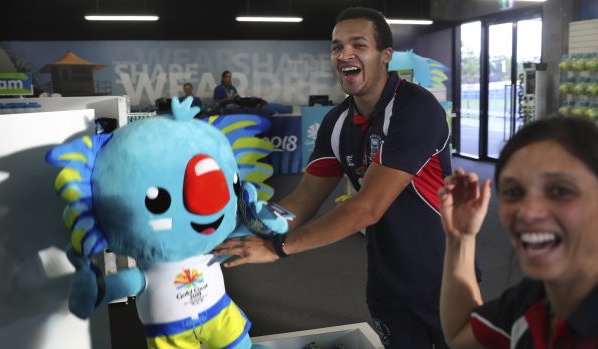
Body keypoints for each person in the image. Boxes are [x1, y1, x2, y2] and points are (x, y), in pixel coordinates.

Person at [215, 7, 475, 348]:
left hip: (445, 278)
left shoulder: (416, 108)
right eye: (337, 47)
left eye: (358, 45)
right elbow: (304, 199)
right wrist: (241, 232)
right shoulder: (336, 122)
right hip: (388, 282)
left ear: (385, 56)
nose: (344, 54)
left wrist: (277, 248)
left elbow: (367, 208)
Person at [439, 116, 598, 348]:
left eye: (560, 190)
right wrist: (460, 238)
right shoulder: (534, 301)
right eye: (514, 192)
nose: (528, 212)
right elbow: (460, 333)